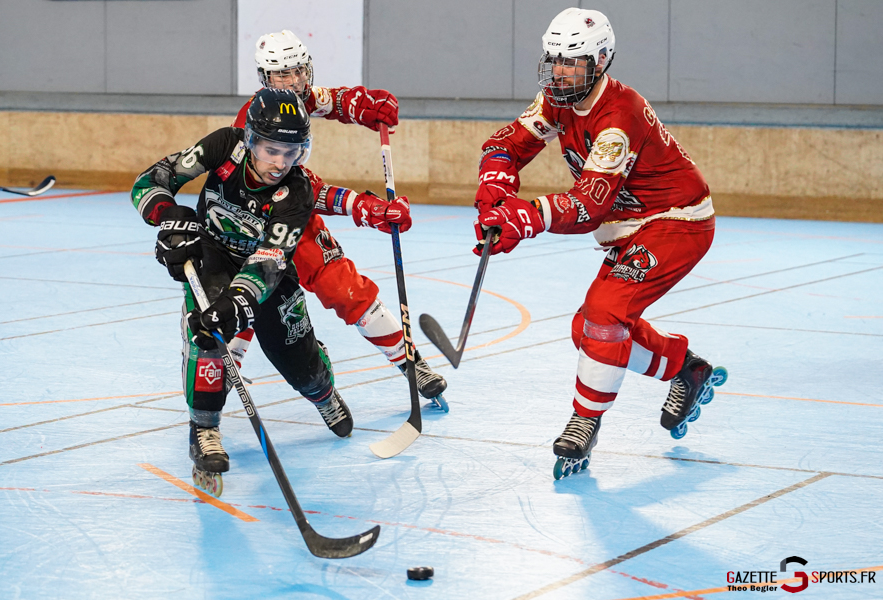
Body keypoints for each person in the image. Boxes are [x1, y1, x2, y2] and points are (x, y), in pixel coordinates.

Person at [472, 8, 726, 479]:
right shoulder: (557, 99)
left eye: (572, 62)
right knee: (587, 331)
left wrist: (525, 217)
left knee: (606, 313)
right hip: (633, 224)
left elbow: (589, 204)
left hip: (675, 223)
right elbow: (505, 145)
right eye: (553, 60)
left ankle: (583, 423)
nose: (559, 71)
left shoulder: (619, 115)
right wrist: (495, 191)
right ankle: (685, 368)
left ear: (601, 61)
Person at [130, 89, 413, 495]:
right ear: (249, 140)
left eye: (291, 152)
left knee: (302, 366)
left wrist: (236, 304)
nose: (279, 163)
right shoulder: (224, 145)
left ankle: (323, 392)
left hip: (269, 277)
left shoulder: (295, 193)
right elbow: (152, 180)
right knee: (208, 336)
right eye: (270, 150)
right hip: (213, 255)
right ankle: (204, 428)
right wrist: (170, 215)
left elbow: (269, 261)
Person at [227, 30, 447, 404]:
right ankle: (223, 372)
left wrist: (364, 105)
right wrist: (365, 207)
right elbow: (300, 184)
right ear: (265, 78)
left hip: (297, 218)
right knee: (247, 298)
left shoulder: (301, 96)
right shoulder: (253, 120)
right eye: (282, 75)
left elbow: (334, 100)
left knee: (343, 286)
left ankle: (411, 362)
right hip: (251, 224)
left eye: (298, 71)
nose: (294, 81)